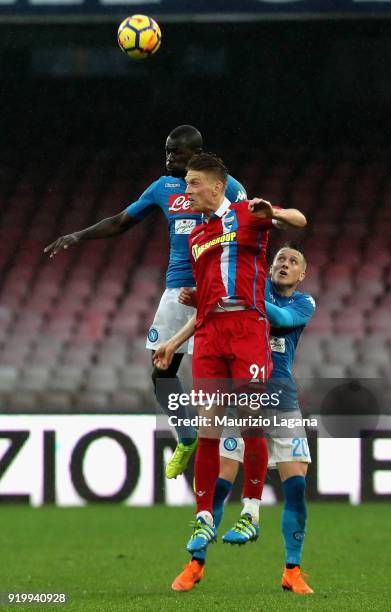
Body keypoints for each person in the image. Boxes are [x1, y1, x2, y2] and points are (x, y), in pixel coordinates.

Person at [43, 125, 247, 478]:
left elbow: (247, 229)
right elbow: (122, 221)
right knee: (161, 371)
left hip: (216, 290)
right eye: (166, 151)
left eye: (177, 153)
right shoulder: (162, 188)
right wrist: (80, 234)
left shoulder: (226, 187)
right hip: (176, 291)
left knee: (215, 379)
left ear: (195, 153)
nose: (169, 158)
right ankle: (187, 438)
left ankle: (231, 448)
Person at [153, 153, 307, 556]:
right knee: (209, 425)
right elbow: (205, 302)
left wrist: (273, 211)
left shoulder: (248, 213)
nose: (186, 193)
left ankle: (251, 511)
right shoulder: (197, 237)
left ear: (217, 186)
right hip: (209, 332)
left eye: (193, 184)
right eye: (185, 184)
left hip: (246, 328)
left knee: (251, 420)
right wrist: (172, 341)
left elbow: (299, 220)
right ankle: (203, 517)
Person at [169, 243, 316, 595]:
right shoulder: (250, 290)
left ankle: (292, 570)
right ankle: (195, 564)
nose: (285, 263)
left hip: (281, 402)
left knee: (295, 488)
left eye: (293, 261)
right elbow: (209, 314)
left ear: (301, 274)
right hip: (240, 398)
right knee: (221, 483)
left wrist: (233, 301)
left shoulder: (303, 303)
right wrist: (209, 303)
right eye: (280, 258)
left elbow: (280, 321)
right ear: (269, 266)